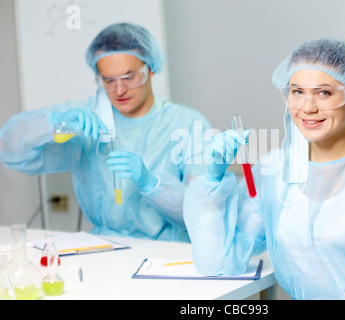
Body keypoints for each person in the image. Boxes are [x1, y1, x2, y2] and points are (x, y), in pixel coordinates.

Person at [184, 38, 345, 299]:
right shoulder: (275, 171)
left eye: (325, 93)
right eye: (297, 92)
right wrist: (212, 181)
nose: (308, 108)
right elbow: (220, 260)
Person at [0, 23, 210, 242]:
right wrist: (53, 124)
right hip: (105, 247)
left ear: (151, 69)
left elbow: (202, 215)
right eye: (108, 81)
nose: (119, 91)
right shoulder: (86, 119)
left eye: (129, 77)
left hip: (168, 252)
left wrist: (152, 184)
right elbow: (7, 149)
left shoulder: (187, 123)